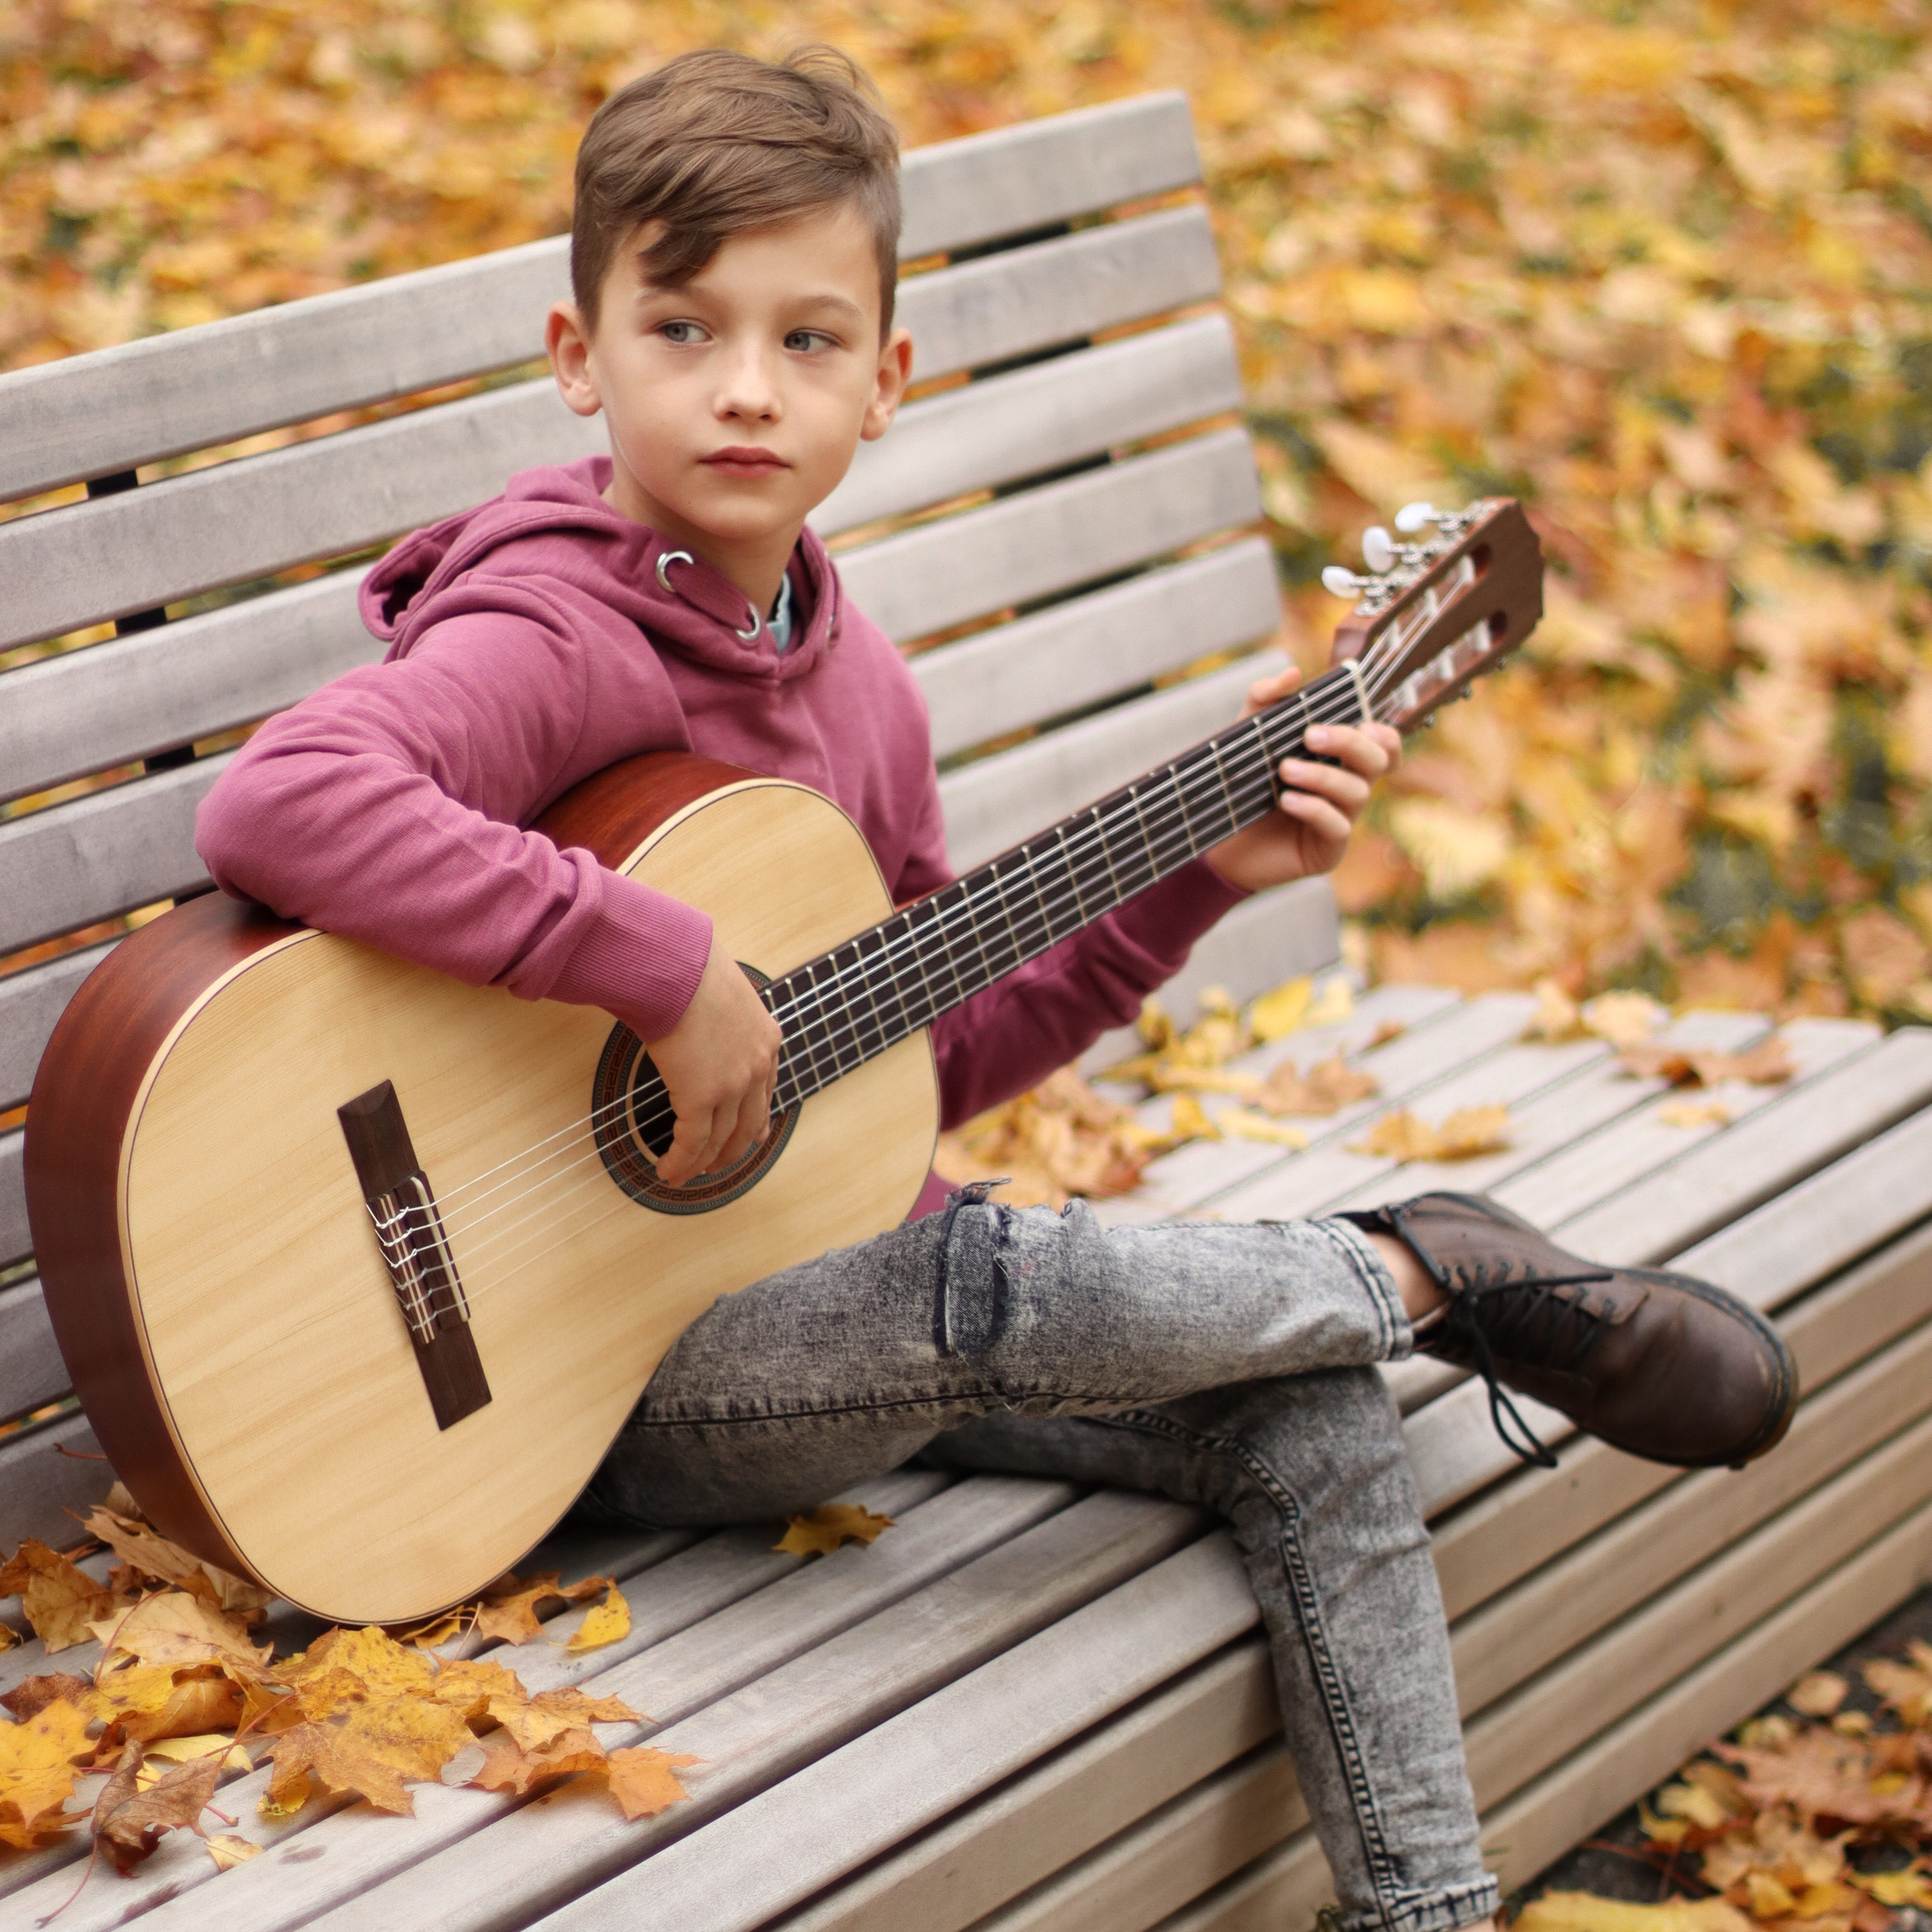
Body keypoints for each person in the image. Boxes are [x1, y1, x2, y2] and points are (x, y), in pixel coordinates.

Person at [194, 47, 1797, 1932]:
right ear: (577, 353)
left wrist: (1198, 873)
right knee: (991, 1277)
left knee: (1306, 1407)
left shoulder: (856, 689)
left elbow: (920, 1060)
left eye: (805, 341)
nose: (739, 385)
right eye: (682, 325)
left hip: (832, 1295)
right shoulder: (552, 630)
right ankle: (1425, 1263)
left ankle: (1424, 1909)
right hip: (568, 1387)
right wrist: (661, 964)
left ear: (887, 380)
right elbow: (284, 796)